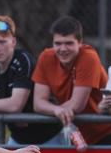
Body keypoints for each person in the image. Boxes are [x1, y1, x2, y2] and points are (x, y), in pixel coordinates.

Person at [0, 16, 61, 145]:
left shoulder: (23, 60)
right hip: (19, 139)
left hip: (49, 136)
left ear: (13, 42)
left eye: (2, 42)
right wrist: (4, 107)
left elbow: (15, 105)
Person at [32, 16, 111, 145]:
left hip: (106, 131)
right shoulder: (46, 57)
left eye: (69, 43)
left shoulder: (89, 57)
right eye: (58, 43)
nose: (63, 49)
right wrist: (55, 110)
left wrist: (52, 109)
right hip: (77, 137)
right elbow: (38, 103)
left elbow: (77, 105)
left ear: (80, 43)